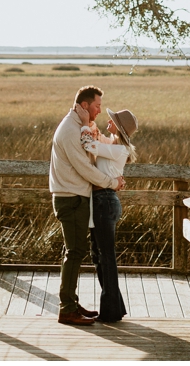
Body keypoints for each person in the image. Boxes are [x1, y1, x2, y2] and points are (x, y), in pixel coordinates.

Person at [49, 85, 125, 326]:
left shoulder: (78, 126)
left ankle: (70, 302)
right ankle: (67, 309)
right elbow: (85, 168)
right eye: (97, 106)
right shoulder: (70, 131)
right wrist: (112, 183)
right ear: (84, 106)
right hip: (71, 198)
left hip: (77, 196)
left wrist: (87, 125)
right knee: (74, 252)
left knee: (74, 251)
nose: (100, 111)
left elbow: (93, 147)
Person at [82, 107, 137, 323]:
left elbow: (87, 144)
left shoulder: (118, 150)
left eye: (112, 120)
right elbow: (98, 136)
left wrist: (85, 125)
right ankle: (114, 306)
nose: (108, 121)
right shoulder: (112, 145)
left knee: (105, 256)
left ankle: (111, 310)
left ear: (119, 128)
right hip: (102, 201)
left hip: (104, 201)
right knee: (98, 254)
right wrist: (90, 125)